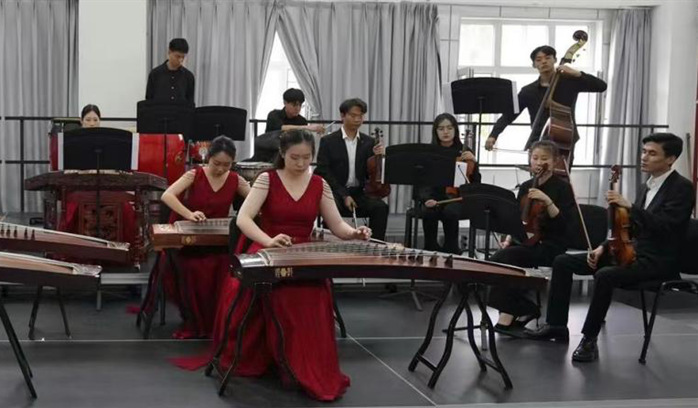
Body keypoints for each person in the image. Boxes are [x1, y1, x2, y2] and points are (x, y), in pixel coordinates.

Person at [196, 130, 371, 401]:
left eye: (306, 158)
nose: (301, 163)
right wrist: (269, 240)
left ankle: (303, 365)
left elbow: (337, 225)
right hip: (268, 248)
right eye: (294, 157)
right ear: (282, 154)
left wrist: (354, 233)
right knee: (280, 295)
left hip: (302, 255)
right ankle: (276, 359)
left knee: (312, 296)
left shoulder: (319, 184)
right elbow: (243, 219)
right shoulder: (267, 179)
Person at [526, 133, 695, 363]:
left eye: (652, 153)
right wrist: (602, 247)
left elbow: (666, 227)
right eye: (644, 151)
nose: (644, 157)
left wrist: (630, 206)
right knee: (563, 261)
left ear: (670, 159)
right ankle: (556, 326)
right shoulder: (646, 186)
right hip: (629, 254)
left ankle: (589, 340)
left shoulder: (682, 188)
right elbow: (628, 228)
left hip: (657, 261)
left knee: (605, 275)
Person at [159, 135, 250, 339]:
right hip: (192, 244)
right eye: (216, 163)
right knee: (194, 268)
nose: (220, 169)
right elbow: (167, 195)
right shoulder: (195, 174)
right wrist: (189, 214)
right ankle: (197, 321)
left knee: (226, 267)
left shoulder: (235, 179)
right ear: (208, 158)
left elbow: (256, 200)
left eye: (226, 165)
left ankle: (218, 321)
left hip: (220, 243)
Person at [486, 140, 576, 336]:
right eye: (535, 158)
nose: (539, 162)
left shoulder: (563, 188)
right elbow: (519, 219)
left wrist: (548, 201)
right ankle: (517, 308)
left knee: (505, 258)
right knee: (498, 261)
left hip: (550, 245)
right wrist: (509, 238)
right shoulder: (526, 186)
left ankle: (517, 310)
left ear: (555, 161)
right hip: (525, 243)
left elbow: (565, 226)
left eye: (545, 158)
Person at [484, 45, 607, 165]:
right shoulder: (528, 91)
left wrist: (577, 74)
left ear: (555, 60)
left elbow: (601, 86)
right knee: (537, 175)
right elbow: (510, 114)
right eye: (539, 60)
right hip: (538, 140)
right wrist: (493, 135)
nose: (543, 61)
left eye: (548, 58)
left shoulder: (569, 83)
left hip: (564, 139)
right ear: (534, 65)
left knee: (561, 176)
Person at [58, 105, 138, 247]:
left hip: (107, 186)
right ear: (81, 121)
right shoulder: (73, 141)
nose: (92, 123)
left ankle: (125, 249)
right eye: (88, 120)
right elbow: (68, 170)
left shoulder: (110, 140)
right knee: (73, 207)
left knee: (125, 207)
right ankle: (75, 249)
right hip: (82, 187)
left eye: (95, 120)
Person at [315, 98, 389, 240]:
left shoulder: (368, 142)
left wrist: (378, 158)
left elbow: (369, 173)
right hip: (335, 192)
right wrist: (344, 195)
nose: (357, 119)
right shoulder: (328, 141)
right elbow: (323, 171)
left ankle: (376, 245)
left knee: (380, 208)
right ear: (342, 116)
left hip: (359, 192)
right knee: (330, 208)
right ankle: (328, 246)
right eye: (353, 115)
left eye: (360, 116)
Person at [418, 113, 481, 254]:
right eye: (441, 129)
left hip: (457, 198)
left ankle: (451, 248)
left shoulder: (465, 152)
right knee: (428, 212)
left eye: (449, 128)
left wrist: (474, 162)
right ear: (435, 131)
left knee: (450, 212)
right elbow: (421, 182)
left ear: (455, 130)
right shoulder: (429, 152)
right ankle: (430, 248)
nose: (445, 132)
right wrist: (427, 199)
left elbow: (476, 182)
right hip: (434, 196)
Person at [145, 38, 195, 103]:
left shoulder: (189, 77)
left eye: (183, 57)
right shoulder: (155, 74)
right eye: (178, 56)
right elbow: (149, 102)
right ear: (169, 52)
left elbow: (190, 103)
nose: (181, 60)